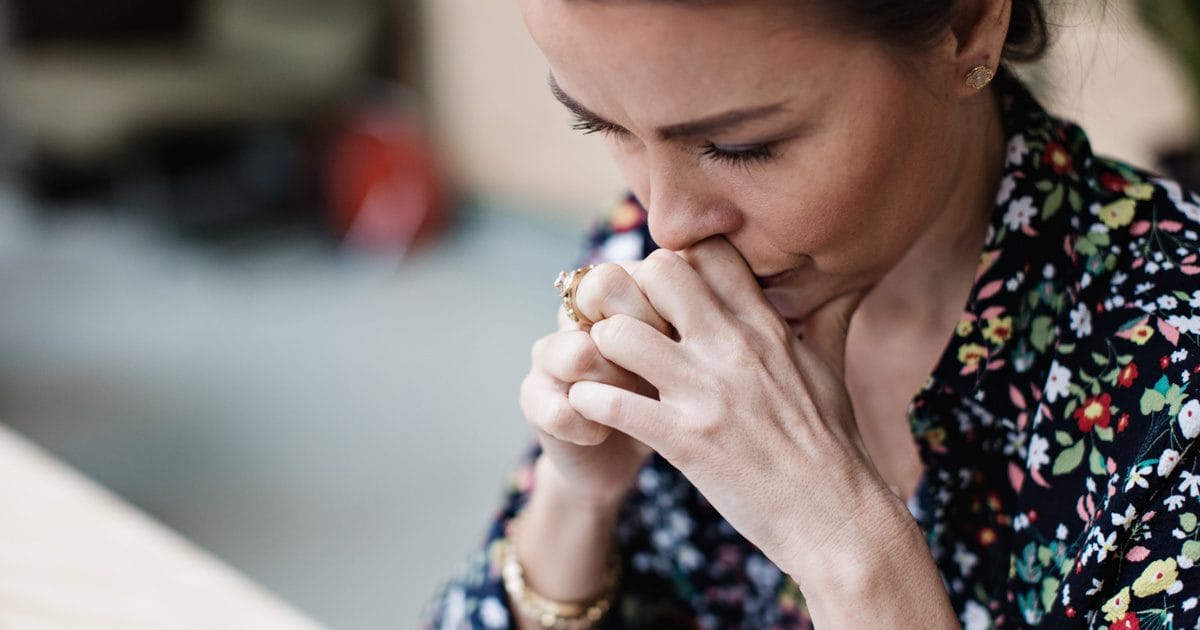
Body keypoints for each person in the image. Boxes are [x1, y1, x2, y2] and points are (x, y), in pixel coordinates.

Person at [427, 1, 1200, 627]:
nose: (667, 221)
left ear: (968, 25)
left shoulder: (1174, 377)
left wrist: (844, 545)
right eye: (602, 126)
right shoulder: (646, 250)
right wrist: (577, 500)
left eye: (740, 146)